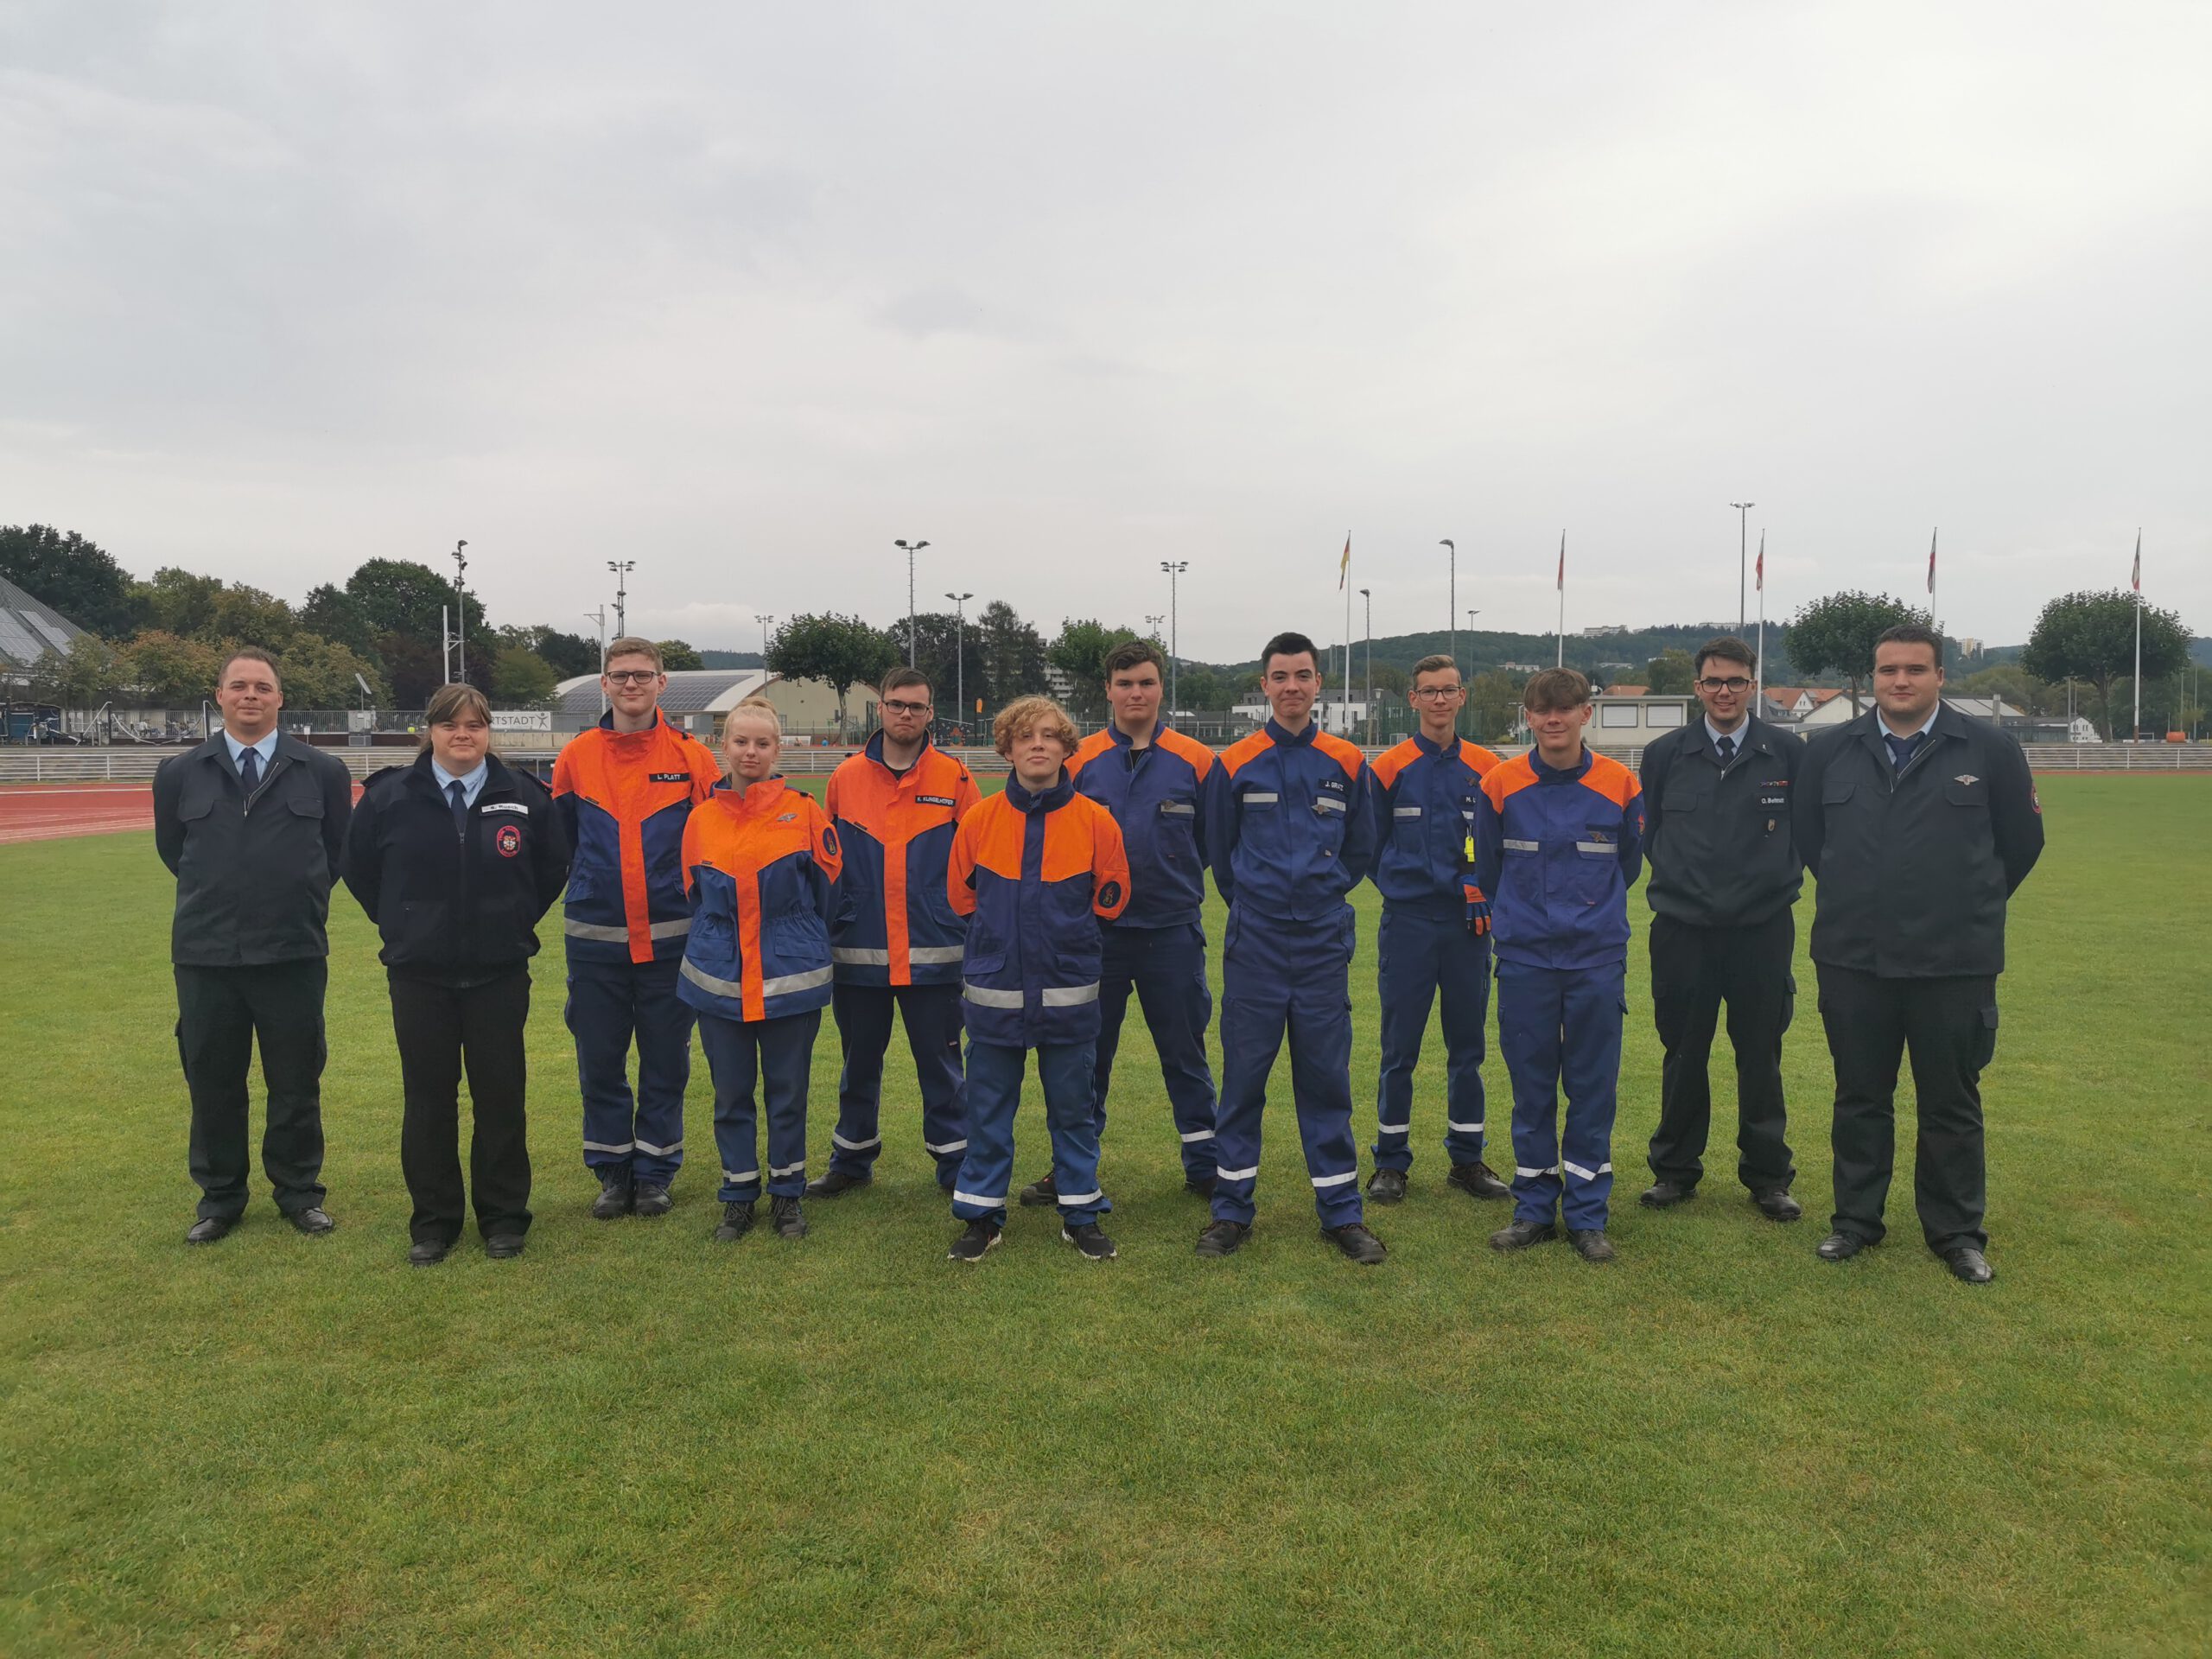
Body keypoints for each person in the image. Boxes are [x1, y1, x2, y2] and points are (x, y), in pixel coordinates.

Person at [1794, 625, 2044, 1284]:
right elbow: (1811, 842)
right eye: (1887, 671)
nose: (1899, 681)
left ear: (1940, 677)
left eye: (1915, 670)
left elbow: (2019, 845)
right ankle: (1855, 1222)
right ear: (1871, 678)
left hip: (1954, 961)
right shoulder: (1828, 752)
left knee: (1951, 1102)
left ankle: (1957, 1233)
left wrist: (1965, 904)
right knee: (1859, 1097)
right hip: (1854, 958)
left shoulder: (1990, 749)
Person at [342, 684, 570, 1265]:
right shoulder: (389, 796)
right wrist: (403, 926)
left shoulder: (523, 795)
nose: (462, 735)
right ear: (431, 730)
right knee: (428, 1101)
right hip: (419, 976)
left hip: (498, 974)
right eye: (450, 725)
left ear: (488, 730)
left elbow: (550, 869)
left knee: (501, 1097)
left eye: (474, 725)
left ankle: (502, 1218)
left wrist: (511, 923)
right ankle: (434, 1223)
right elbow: (360, 869)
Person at [153, 649, 354, 1244]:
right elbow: (175, 853)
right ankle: (220, 1199)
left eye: (262, 687)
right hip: (205, 955)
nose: (250, 696)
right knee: (213, 1080)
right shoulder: (180, 772)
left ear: (279, 699)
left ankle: (298, 1193)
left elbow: (335, 853)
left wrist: (294, 899)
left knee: (296, 1079)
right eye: (238, 686)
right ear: (219, 696)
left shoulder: (321, 771)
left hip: (291, 952)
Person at [1199, 631, 1386, 1264]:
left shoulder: (1347, 760)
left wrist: (1325, 888)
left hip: (1321, 941)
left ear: (1318, 684)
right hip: (1255, 941)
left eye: (1303, 675)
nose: (1292, 687)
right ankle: (1230, 1210)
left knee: (1325, 1079)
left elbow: (1363, 846)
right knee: (1244, 1078)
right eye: (1280, 677)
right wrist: (1255, 899)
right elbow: (1220, 856)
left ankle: (1341, 1213)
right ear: (1264, 685)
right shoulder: (1234, 762)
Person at [1019, 639, 1217, 1206]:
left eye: (1146, 683)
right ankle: (1072, 1168)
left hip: (1171, 933)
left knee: (1185, 1051)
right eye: (1125, 683)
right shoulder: (1077, 763)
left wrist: (1169, 877)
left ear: (1161, 689)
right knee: (1085, 1055)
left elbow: (1209, 843)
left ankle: (1205, 1163)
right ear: (1108, 690)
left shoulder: (1197, 761)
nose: (1136, 693)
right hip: (1094, 936)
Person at [944, 696, 1130, 1262]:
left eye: (1050, 736)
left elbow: (1111, 900)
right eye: (1026, 737)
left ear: (1067, 748)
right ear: (1007, 748)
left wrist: (1065, 943)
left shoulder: (1097, 822)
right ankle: (981, 1217)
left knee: (1073, 1110)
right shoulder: (978, 820)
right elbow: (961, 899)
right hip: (995, 995)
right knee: (988, 1111)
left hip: (1069, 997)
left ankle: (1080, 1215)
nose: (1039, 746)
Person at [1471, 667, 1644, 1262]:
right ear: (1529, 715)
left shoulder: (1621, 783)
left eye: (1564, 710)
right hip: (1525, 960)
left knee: (1593, 1088)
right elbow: (1488, 869)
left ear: (1584, 715)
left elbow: (1629, 865)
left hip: (1596, 959)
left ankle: (1588, 1215)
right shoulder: (1499, 783)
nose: (1553, 720)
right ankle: (1533, 1209)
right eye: (1542, 710)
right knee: (1532, 1089)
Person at [550, 638, 723, 1221]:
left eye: (642, 675)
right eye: (620, 675)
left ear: (662, 683)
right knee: (598, 1059)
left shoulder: (695, 758)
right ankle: (612, 1170)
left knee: (665, 1061)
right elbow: (560, 844)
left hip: (672, 937)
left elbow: (713, 845)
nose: (631, 685)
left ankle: (654, 1172)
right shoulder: (576, 756)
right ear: (603, 684)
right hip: (594, 939)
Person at [1636, 636, 1807, 1222]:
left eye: (1735, 681)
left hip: (1762, 929)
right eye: (1713, 681)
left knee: (1760, 1052)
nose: (1724, 691)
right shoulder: (1664, 755)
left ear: (1753, 684)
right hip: (1683, 929)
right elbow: (1649, 831)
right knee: (1683, 1051)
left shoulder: (1787, 753)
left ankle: (1768, 1178)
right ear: (1697, 687)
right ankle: (1675, 1171)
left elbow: (1808, 836)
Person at [806, 668, 982, 1199]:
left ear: (931, 713)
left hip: (937, 954)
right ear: (880, 708)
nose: (906, 714)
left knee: (944, 1064)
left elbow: (978, 861)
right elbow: (829, 865)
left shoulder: (955, 778)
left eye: (917, 706)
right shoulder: (844, 778)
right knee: (858, 1063)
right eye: (897, 704)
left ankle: (956, 1165)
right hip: (859, 950)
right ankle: (851, 1161)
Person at [677, 699, 843, 1244]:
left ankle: (788, 1196)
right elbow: (695, 893)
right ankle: (738, 1196)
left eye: (763, 743)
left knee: (787, 1090)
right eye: (741, 742)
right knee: (730, 1093)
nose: (751, 753)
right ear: (723, 746)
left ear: (778, 748)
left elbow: (827, 892)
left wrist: (791, 940)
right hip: (719, 974)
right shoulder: (701, 817)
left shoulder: (804, 811)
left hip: (788, 975)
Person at [1365, 655, 1509, 1205]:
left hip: (1469, 925)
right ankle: (1390, 1162)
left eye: (1449, 691)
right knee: (1399, 1047)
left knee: (1467, 1046)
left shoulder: (1488, 765)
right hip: (1408, 923)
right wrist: (1401, 887)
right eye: (1430, 692)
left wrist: (1482, 891)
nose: (1441, 700)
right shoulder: (1389, 766)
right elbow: (1368, 846)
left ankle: (1467, 1159)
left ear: (1462, 697)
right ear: (1414, 699)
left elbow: (1497, 844)